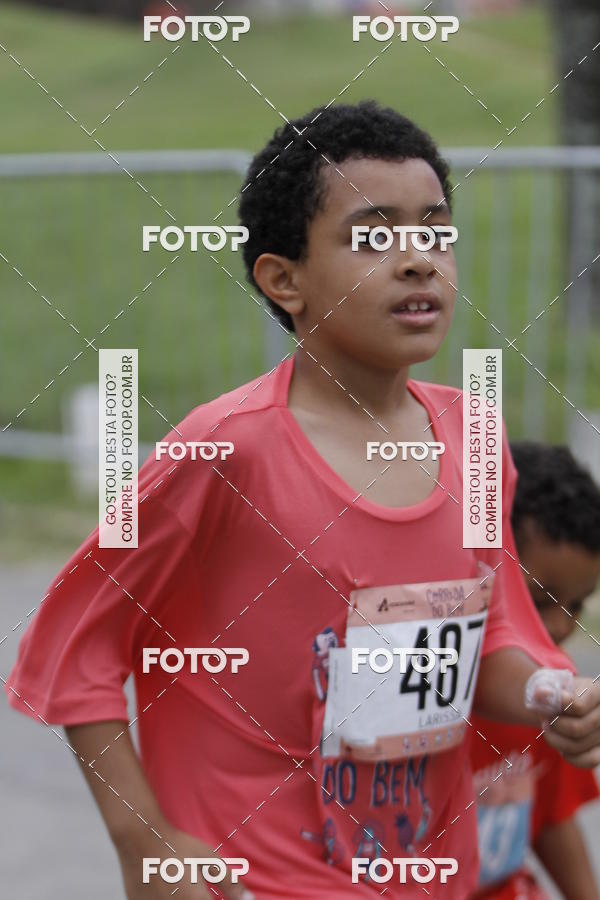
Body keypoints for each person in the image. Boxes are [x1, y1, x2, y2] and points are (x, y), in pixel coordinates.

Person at [6, 101, 600, 899]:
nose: (419, 259)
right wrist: (143, 841)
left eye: (434, 230)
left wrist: (548, 695)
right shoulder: (224, 447)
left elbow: (487, 638)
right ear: (284, 280)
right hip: (261, 879)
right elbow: (77, 644)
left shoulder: (477, 436)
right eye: (372, 235)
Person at [471, 442, 600, 900]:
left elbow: (553, 817)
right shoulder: (422, 692)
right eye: (541, 601)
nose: (562, 627)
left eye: (577, 605)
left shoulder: (548, 700)